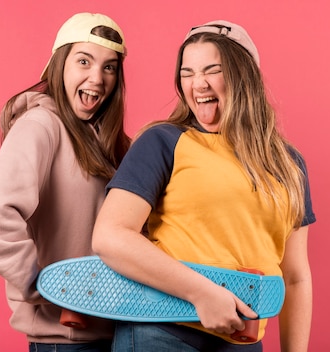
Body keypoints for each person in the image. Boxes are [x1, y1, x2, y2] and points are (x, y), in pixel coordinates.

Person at [91, 20, 316, 352]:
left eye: (212, 70)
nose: (198, 84)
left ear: (245, 77)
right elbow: (110, 237)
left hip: (244, 338)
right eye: (187, 73)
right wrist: (202, 294)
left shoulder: (288, 163)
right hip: (162, 333)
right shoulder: (163, 141)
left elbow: (295, 278)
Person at [0, 12, 130, 352]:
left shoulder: (109, 142)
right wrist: (48, 286)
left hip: (112, 332)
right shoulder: (41, 126)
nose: (97, 78)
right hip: (65, 339)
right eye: (84, 61)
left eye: (109, 67)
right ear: (59, 65)